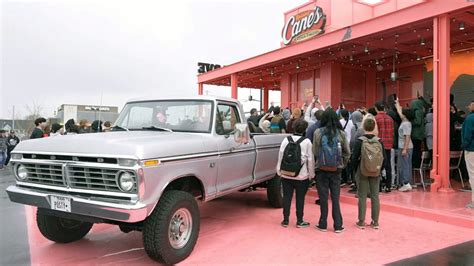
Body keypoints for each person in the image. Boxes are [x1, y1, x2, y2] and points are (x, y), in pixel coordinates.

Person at [313, 108, 351, 233]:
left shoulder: (318, 132)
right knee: (335, 198)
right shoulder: (341, 133)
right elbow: (347, 152)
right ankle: (338, 225)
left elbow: (315, 151)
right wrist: (341, 165)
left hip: (321, 169)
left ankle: (323, 224)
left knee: (323, 198)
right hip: (336, 170)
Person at [277, 119, 314, 228]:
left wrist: (279, 170)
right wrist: (311, 174)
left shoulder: (286, 139)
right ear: (305, 129)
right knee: (300, 198)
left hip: (286, 173)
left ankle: (285, 220)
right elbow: (310, 160)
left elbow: (281, 154)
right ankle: (299, 220)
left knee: (287, 197)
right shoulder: (307, 141)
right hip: (301, 176)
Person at [351, 117, 385, 229]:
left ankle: (361, 221)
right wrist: (380, 169)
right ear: (374, 127)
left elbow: (354, 158)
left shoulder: (359, 141)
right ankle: (375, 222)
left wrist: (354, 170)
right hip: (376, 171)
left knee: (362, 196)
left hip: (362, 171)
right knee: (375, 196)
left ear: (364, 127)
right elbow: (383, 158)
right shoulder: (379, 141)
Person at [374, 101, 394, 193]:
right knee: (388, 166)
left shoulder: (376, 118)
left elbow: (375, 132)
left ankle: (378, 187)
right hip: (388, 144)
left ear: (376, 108)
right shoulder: (390, 118)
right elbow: (392, 132)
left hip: (379, 144)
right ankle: (388, 186)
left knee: (378, 165)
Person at [395, 101, 415, 191]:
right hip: (406, 146)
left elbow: (407, 136)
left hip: (405, 146)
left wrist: (404, 149)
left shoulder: (406, 124)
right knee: (406, 164)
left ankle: (406, 183)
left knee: (405, 165)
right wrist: (397, 103)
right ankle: (407, 183)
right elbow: (400, 113)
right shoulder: (405, 121)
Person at [462, 101, 474, 209]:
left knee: (473, 176)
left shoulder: (470, 118)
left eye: (470, 105)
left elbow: (467, 135)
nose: (468, 106)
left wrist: (464, 146)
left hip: (471, 150)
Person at [410, 97, 426, 169]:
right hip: (420, 134)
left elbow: (417, 121)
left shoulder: (417, 111)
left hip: (416, 134)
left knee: (416, 149)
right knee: (418, 148)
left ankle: (416, 164)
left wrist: (410, 122)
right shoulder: (421, 111)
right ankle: (417, 163)